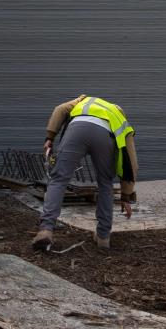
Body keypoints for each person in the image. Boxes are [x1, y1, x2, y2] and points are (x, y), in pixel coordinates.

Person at [32, 95, 137, 251]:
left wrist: (50, 137)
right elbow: (131, 162)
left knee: (59, 179)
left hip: (77, 130)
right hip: (104, 137)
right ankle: (103, 237)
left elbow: (59, 109)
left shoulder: (84, 100)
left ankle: (45, 231)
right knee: (105, 184)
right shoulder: (120, 117)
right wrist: (126, 196)